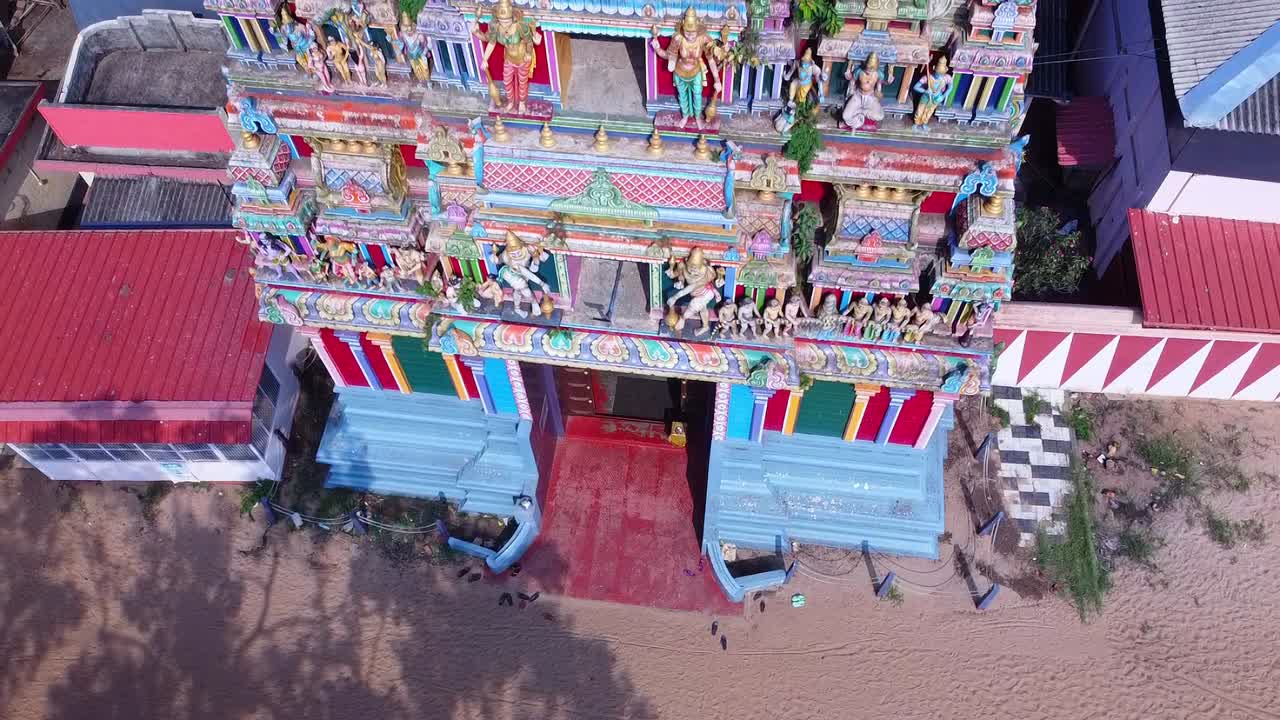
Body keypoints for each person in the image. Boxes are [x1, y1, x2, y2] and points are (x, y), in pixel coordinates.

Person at [650, 7, 722, 129]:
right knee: (682, 95)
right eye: (687, 32)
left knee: (698, 95)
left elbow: (710, 60)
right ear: (683, 28)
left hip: (696, 71)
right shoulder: (678, 38)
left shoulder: (703, 39)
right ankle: (685, 116)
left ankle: (698, 117)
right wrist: (657, 49)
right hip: (680, 71)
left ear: (698, 29)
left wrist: (717, 79)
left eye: (692, 32)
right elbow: (669, 56)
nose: (689, 36)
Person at [472, 0, 542, 114]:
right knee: (507, 81)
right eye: (501, 20)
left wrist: (528, 54)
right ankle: (510, 102)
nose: (504, 24)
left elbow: (529, 42)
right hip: (508, 58)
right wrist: (485, 58)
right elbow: (491, 42)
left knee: (522, 82)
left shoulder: (520, 26)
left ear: (512, 16)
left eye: (507, 21)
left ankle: (522, 102)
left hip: (522, 58)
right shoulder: (495, 26)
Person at [841, 53, 893, 131]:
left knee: (880, 116)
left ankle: (861, 114)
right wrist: (850, 92)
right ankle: (859, 120)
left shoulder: (879, 74)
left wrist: (888, 82)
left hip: (871, 97)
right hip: (858, 96)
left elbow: (880, 84)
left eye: (872, 70)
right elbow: (852, 81)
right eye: (868, 69)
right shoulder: (859, 72)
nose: (869, 71)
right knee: (846, 116)